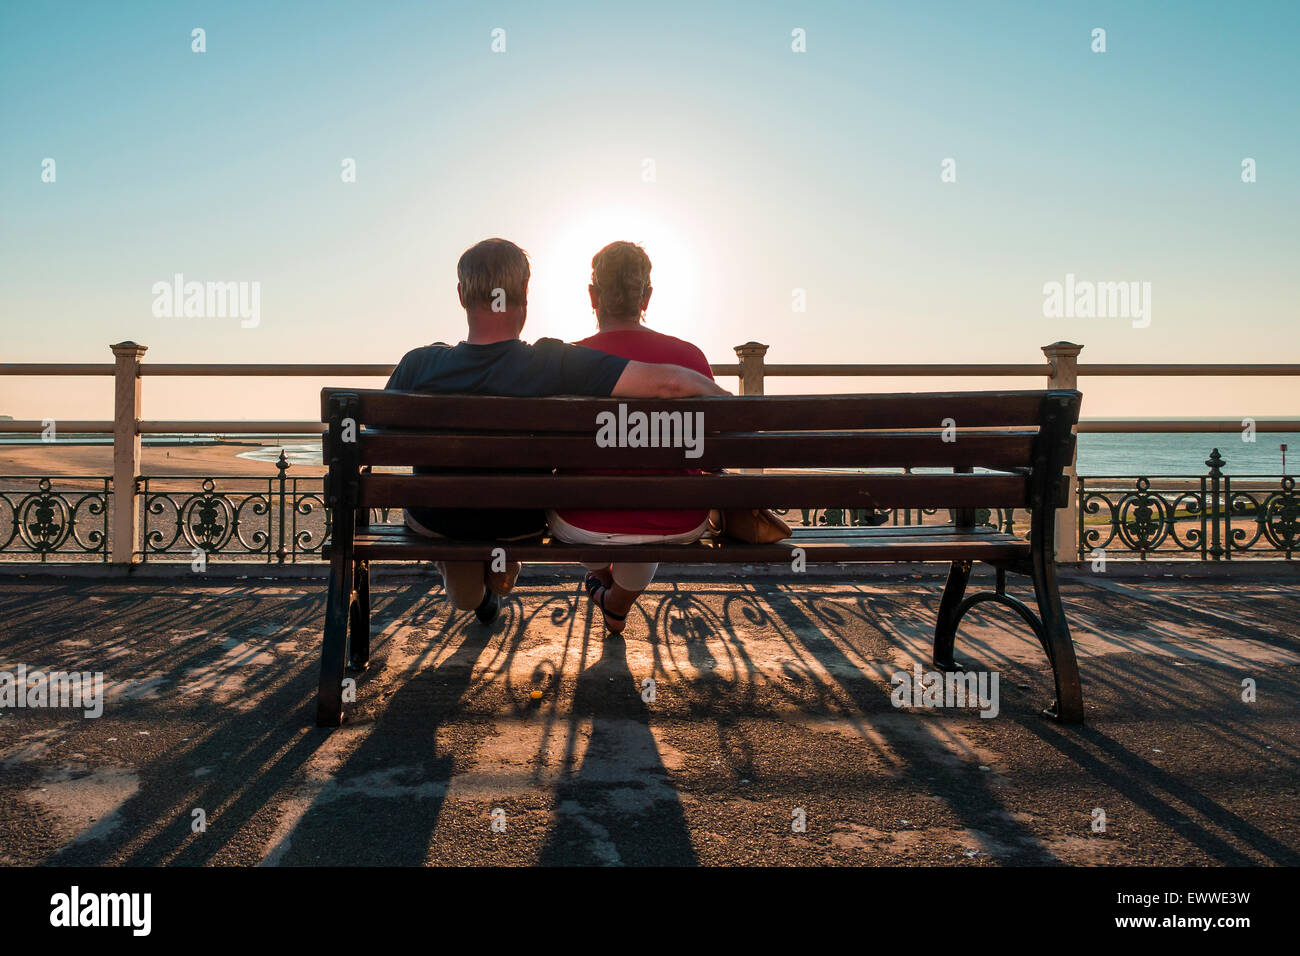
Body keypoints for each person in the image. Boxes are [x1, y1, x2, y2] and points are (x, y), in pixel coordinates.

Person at [387, 238, 727, 624]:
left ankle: (484, 588)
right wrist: (739, 408)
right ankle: (508, 573)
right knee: (485, 573)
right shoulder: (552, 361)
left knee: (466, 596)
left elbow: (380, 431)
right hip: (518, 525)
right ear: (526, 294)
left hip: (439, 523)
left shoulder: (418, 365)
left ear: (462, 294)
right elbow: (669, 385)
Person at [548, 241, 715, 634]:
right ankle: (615, 603)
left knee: (575, 501)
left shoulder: (567, 361)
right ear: (648, 296)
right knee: (650, 511)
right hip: (678, 521)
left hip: (582, 522)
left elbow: (542, 455)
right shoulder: (688, 358)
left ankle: (609, 593)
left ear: (593, 296)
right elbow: (713, 453)